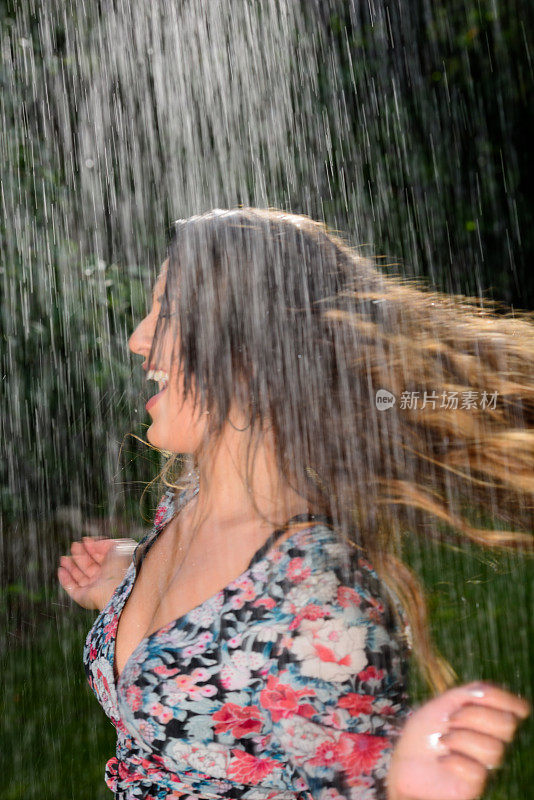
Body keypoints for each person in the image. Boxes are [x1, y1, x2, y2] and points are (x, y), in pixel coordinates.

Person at [58, 208, 532, 800]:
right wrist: (130, 586)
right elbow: (213, 652)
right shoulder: (185, 507)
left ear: (255, 347)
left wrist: (402, 790)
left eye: (170, 313)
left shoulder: (317, 599)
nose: (137, 339)